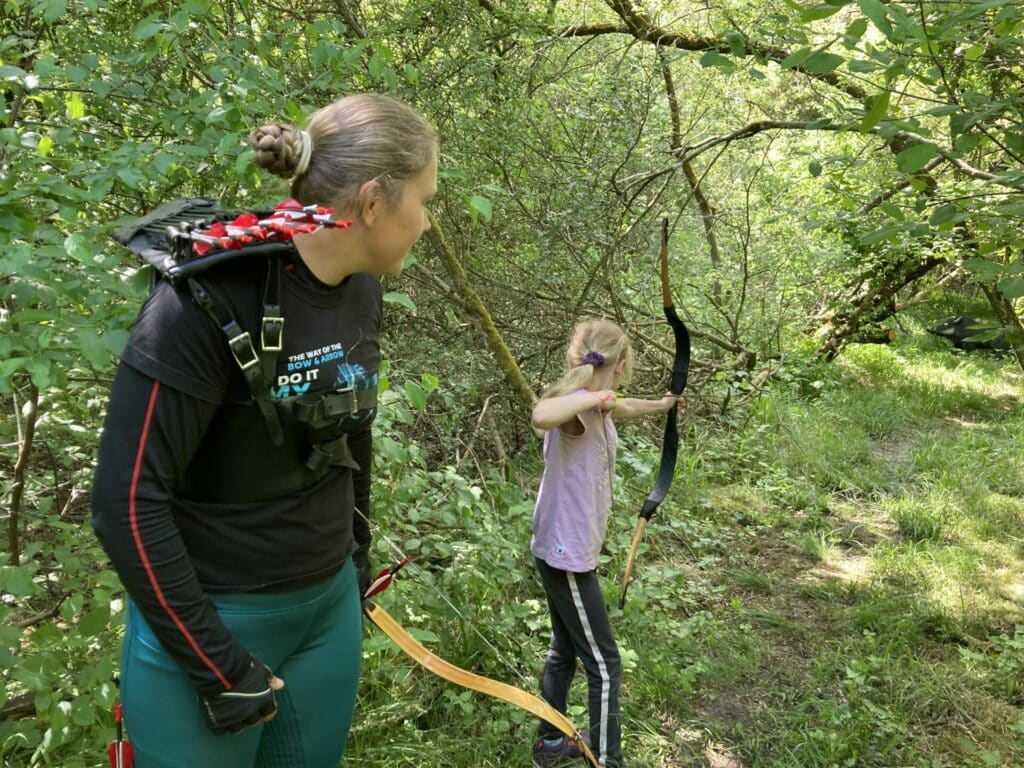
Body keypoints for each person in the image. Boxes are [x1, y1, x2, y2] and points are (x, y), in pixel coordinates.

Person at [91, 93, 438, 768]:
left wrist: (356, 554)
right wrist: (217, 666)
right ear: (372, 202)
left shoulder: (362, 285)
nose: (426, 222)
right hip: (207, 628)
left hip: (325, 614)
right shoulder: (204, 302)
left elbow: (349, 421)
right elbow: (125, 502)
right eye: (423, 201)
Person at [529, 318, 682, 768]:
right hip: (567, 557)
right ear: (619, 365)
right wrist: (594, 396)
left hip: (561, 548)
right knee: (605, 665)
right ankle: (607, 760)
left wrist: (662, 404)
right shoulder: (575, 406)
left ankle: (550, 742)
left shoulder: (597, 405)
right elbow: (541, 414)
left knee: (564, 649)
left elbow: (625, 408)